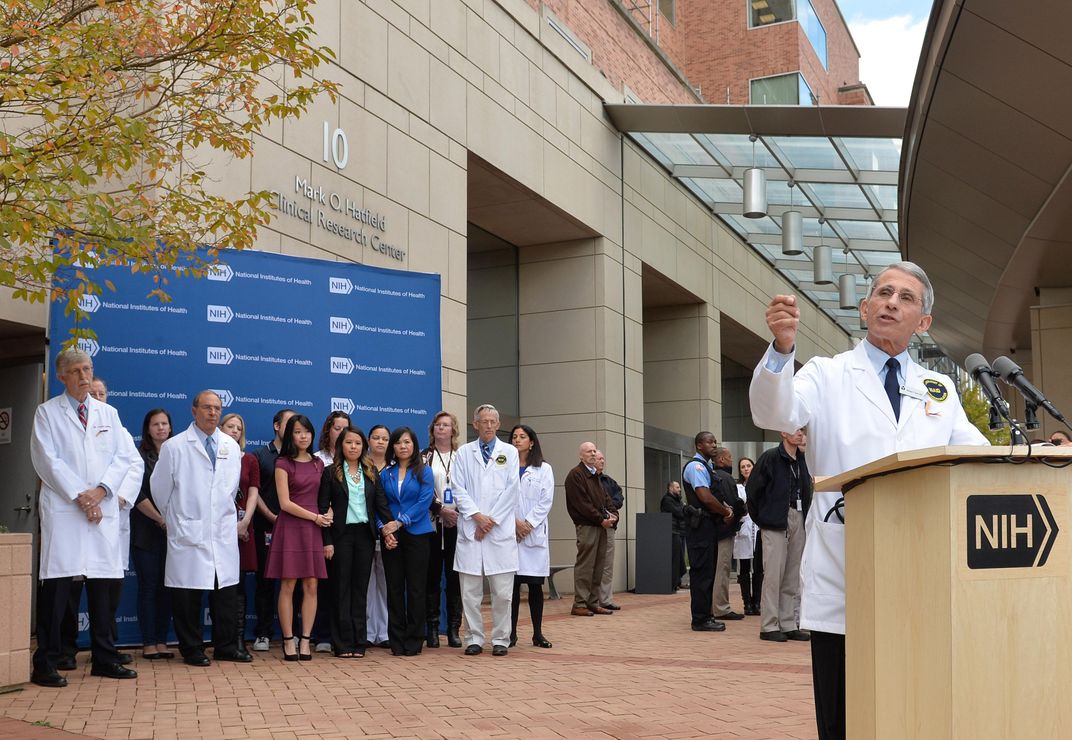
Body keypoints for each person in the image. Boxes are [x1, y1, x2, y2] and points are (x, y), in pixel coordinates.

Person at [751, 261, 989, 740]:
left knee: (912, 707)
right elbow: (774, 410)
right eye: (883, 293)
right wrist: (781, 350)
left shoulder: (939, 389)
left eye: (905, 298)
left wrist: (1035, 454)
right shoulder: (826, 373)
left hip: (921, 574)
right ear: (865, 308)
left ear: (923, 322)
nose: (891, 303)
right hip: (846, 569)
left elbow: (975, 456)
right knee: (844, 714)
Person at [29, 348, 142, 687]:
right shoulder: (47, 413)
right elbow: (47, 460)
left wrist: (101, 492)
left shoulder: (109, 413)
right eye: (76, 371)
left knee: (102, 587)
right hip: (66, 509)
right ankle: (45, 661)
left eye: (88, 369)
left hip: (101, 509)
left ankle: (104, 658)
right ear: (61, 376)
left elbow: (123, 458)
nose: (83, 376)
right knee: (58, 586)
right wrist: (81, 494)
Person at [151, 390, 249, 666]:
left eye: (217, 408)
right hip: (188, 530)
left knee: (225, 594)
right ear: (194, 411)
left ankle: (226, 646)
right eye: (207, 407)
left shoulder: (230, 446)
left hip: (221, 532)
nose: (213, 413)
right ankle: (192, 649)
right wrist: (178, 519)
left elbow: (230, 488)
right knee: (187, 596)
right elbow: (160, 490)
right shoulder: (175, 446)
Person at [450, 404, 520, 656]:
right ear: (475, 424)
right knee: (470, 593)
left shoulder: (509, 452)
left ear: (498, 425)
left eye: (493, 421)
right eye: (484, 421)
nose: (488, 425)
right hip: (472, 528)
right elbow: (458, 488)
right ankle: (473, 638)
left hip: (498, 532)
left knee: (503, 593)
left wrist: (490, 522)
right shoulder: (464, 453)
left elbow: (512, 490)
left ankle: (501, 639)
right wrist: (477, 518)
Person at [319, 426, 391, 658]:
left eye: (358, 443)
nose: (353, 447)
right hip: (340, 536)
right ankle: (342, 643)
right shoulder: (330, 472)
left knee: (360, 590)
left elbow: (380, 504)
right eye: (349, 443)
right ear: (341, 445)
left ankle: (359, 641)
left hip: (365, 536)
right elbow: (322, 508)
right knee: (341, 589)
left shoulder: (371, 472)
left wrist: (390, 529)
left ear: (363, 447)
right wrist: (327, 542)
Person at [264, 414, 328, 661]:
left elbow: (323, 498)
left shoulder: (318, 463)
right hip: (291, 528)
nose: (303, 436)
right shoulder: (283, 463)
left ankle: (305, 640)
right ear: (290, 434)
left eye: (307, 432)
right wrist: (314, 517)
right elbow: (284, 503)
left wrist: (327, 512)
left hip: (313, 530)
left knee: (312, 585)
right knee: (288, 584)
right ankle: (288, 640)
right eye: (298, 432)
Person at [746, 431, 811, 642]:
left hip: (798, 517)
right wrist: (764, 518)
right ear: (783, 432)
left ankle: (788, 622)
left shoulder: (803, 460)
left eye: (803, 430)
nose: (800, 434)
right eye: (796, 429)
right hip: (775, 521)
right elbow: (753, 491)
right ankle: (769, 625)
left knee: (792, 575)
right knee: (773, 574)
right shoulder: (771, 457)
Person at [378, 426, 435, 656]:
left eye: (407, 442)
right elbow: (378, 505)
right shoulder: (385, 473)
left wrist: (400, 523)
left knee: (415, 589)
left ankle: (414, 639)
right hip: (391, 536)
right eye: (399, 442)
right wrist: (385, 530)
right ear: (393, 446)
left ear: (414, 445)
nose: (403, 446)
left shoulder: (424, 471)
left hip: (417, 534)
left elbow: (424, 503)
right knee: (393, 588)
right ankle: (397, 639)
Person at [131, 408, 175, 660]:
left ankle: (162, 640)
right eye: (155, 424)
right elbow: (137, 494)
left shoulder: (178, 454)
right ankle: (148, 642)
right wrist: (160, 519)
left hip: (174, 533)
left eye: (165, 423)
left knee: (167, 587)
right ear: (148, 429)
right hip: (146, 531)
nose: (161, 428)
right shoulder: (138, 457)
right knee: (148, 586)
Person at [250, 408, 295, 652]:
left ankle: (294, 633)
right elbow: (253, 492)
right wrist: (270, 515)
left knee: (295, 582)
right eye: (289, 423)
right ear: (276, 426)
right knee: (265, 583)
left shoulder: (300, 458)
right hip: (266, 526)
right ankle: (263, 633)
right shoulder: (260, 455)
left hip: (295, 530)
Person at [681, 432, 734, 633]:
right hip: (700, 526)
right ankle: (701, 619)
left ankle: (707, 615)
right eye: (709, 442)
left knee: (709, 573)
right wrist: (725, 511)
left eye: (715, 442)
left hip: (708, 526)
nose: (714, 445)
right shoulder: (696, 467)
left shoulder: (707, 467)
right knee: (702, 573)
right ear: (698, 445)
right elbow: (705, 497)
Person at [509, 424, 554, 649]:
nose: (517, 440)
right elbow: (500, 498)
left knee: (535, 587)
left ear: (532, 442)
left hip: (533, 534)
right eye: (514, 437)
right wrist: (515, 523)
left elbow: (545, 501)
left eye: (522, 437)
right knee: (512, 587)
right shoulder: (503, 467)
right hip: (510, 533)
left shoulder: (543, 469)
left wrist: (527, 524)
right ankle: (511, 634)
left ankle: (537, 633)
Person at [422, 411, 463, 648]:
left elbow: (470, 487)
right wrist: (440, 510)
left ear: (453, 430)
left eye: (446, 425)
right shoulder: (424, 457)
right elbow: (420, 488)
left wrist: (455, 512)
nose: (441, 428)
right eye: (438, 425)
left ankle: (455, 629)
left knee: (455, 577)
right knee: (432, 577)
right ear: (432, 430)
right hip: (432, 524)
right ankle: (433, 630)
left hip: (458, 523)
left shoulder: (462, 456)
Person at [220, 413, 260, 653]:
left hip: (244, 528)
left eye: (238, 428)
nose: (234, 431)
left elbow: (253, 492)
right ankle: (219, 638)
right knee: (218, 585)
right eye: (230, 426)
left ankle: (237, 640)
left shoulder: (250, 460)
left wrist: (245, 523)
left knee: (239, 585)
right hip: (217, 530)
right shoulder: (211, 456)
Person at [310, 410, 349, 653]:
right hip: (320, 528)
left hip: (346, 531)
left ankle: (343, 635)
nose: (342, 433)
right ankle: (322, 634)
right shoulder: (317, 460)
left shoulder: (355, 459)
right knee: (323, 584)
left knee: (343, 585)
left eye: (346, 428)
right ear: (328, 430)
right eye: (337, 428)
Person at [564, 441, 616, 617]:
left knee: (599, 566)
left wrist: (614, 516)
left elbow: (607, 500)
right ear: (581, 455)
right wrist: (601, 519)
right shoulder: (576, 475)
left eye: (594, 451)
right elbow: (582, 504)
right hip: (587, 526)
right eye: (589, 451)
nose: (593, 454)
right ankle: (579, 603)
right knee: (586, 566)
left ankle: (593, 602)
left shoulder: (596, 476)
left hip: (600, 526)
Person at [365, 424, 391, 648]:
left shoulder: (394, 468)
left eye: (384, 438)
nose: (380, 442)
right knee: (366, 583)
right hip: (364, 531)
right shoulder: (360, 465)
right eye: (376, 437)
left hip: (388, 533)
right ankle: (367, 630)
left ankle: (383, 632)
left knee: (384, 583)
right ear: (368, 440)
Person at [711, 447, 744, 621]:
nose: (732, 460)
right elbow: (734, 501)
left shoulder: (710, 475)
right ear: (722, 460)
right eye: (730, 457)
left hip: (712, 529)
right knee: (722, 568)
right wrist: (741, 510)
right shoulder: (725, 478)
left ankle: (712, 605)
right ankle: (721, 607)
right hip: (724, 529)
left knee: (714, 568)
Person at [594, 451, 623, 612]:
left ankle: (605, 599)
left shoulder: (609, 482)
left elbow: (619, 498)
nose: (601, 461)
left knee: (607, 564)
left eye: (603, 458)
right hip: (593, 525)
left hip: (610, 526)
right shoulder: (587, 480)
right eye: (599, 458)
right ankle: (590, 599)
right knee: (592, 563)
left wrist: (609, 508)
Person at [734, 458, 761, 616]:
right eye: (742, 466)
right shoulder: (737, 487)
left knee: (758, 566)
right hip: (743, 529)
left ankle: (757, 602)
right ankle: (747, 603)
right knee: (744, 566)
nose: (745, 469)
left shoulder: (760, 484)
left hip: (758, 528)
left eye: (748, 466)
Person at [660, 482, 688, 591]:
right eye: (677, 487)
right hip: (672, 532)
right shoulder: (667, 500)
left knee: (680, 558)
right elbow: (680, 512)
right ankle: (674, 582)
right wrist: (684, 510)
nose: (680, 489)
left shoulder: (678, 500)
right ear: (671, 488)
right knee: (676, 558)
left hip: (680, 531)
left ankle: (678, 581)